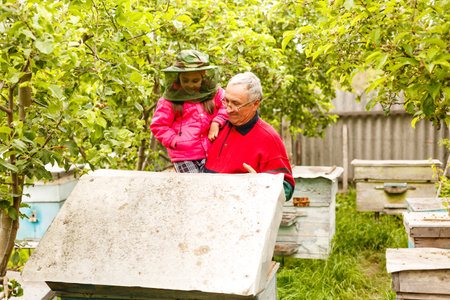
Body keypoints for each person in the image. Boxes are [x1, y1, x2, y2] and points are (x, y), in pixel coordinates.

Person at [204, 72, 295, 200]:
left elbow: (287, 187)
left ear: (255, 104)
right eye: (227, 101)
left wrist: (260, 184)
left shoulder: (268, 138)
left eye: (236, 104)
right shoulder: (218, 125)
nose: (229, 109)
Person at [150, 50, 227, 173]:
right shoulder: (169, 100)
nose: (190, 85)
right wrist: (176, 142)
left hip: (211, 151)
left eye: (195, 81)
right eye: (185, 80)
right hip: (184, 156)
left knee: (211, 188)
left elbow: (227, 104)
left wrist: (216, 122)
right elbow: (159, 126)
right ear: (178, 77)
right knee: (192, 188)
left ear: (203, 75)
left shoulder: (213, 92)